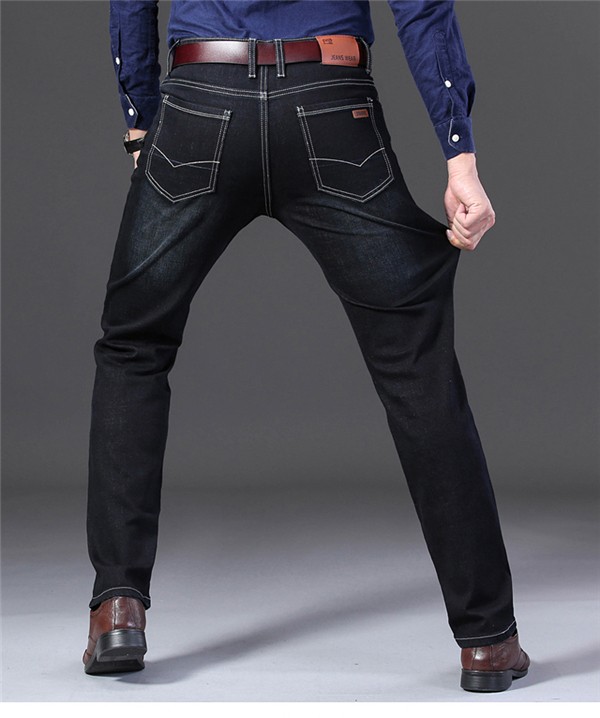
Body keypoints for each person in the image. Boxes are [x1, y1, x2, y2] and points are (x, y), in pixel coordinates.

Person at [83, 0, 530, 693]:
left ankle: (118, 607)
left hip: (201, 100)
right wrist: (458, 154)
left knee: (134, 345)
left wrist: (141, 120)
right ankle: (488, 640)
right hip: (329, 105)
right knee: (414, 361)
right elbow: (421, 6)